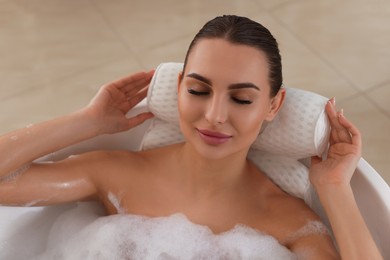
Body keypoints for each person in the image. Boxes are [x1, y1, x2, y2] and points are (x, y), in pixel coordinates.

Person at [0, 15, 383, 259]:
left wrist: (334, 188)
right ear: (179, 87)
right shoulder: (117, 173)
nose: (214, 115)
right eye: (199, 91)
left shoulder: (286, 221)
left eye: (242, 98)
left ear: (272, 105)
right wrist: (87, 122)